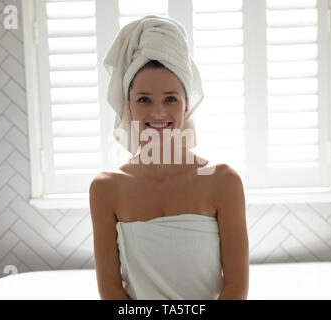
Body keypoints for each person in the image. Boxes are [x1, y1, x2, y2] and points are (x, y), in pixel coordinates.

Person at [89, 15, 248, 300]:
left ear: (187, 106)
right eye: (144, 99)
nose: (158, 112)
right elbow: (111, 291)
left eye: (171, 99)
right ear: (128, 106)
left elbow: (236, 287)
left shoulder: (224, 182)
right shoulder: (105, 189)